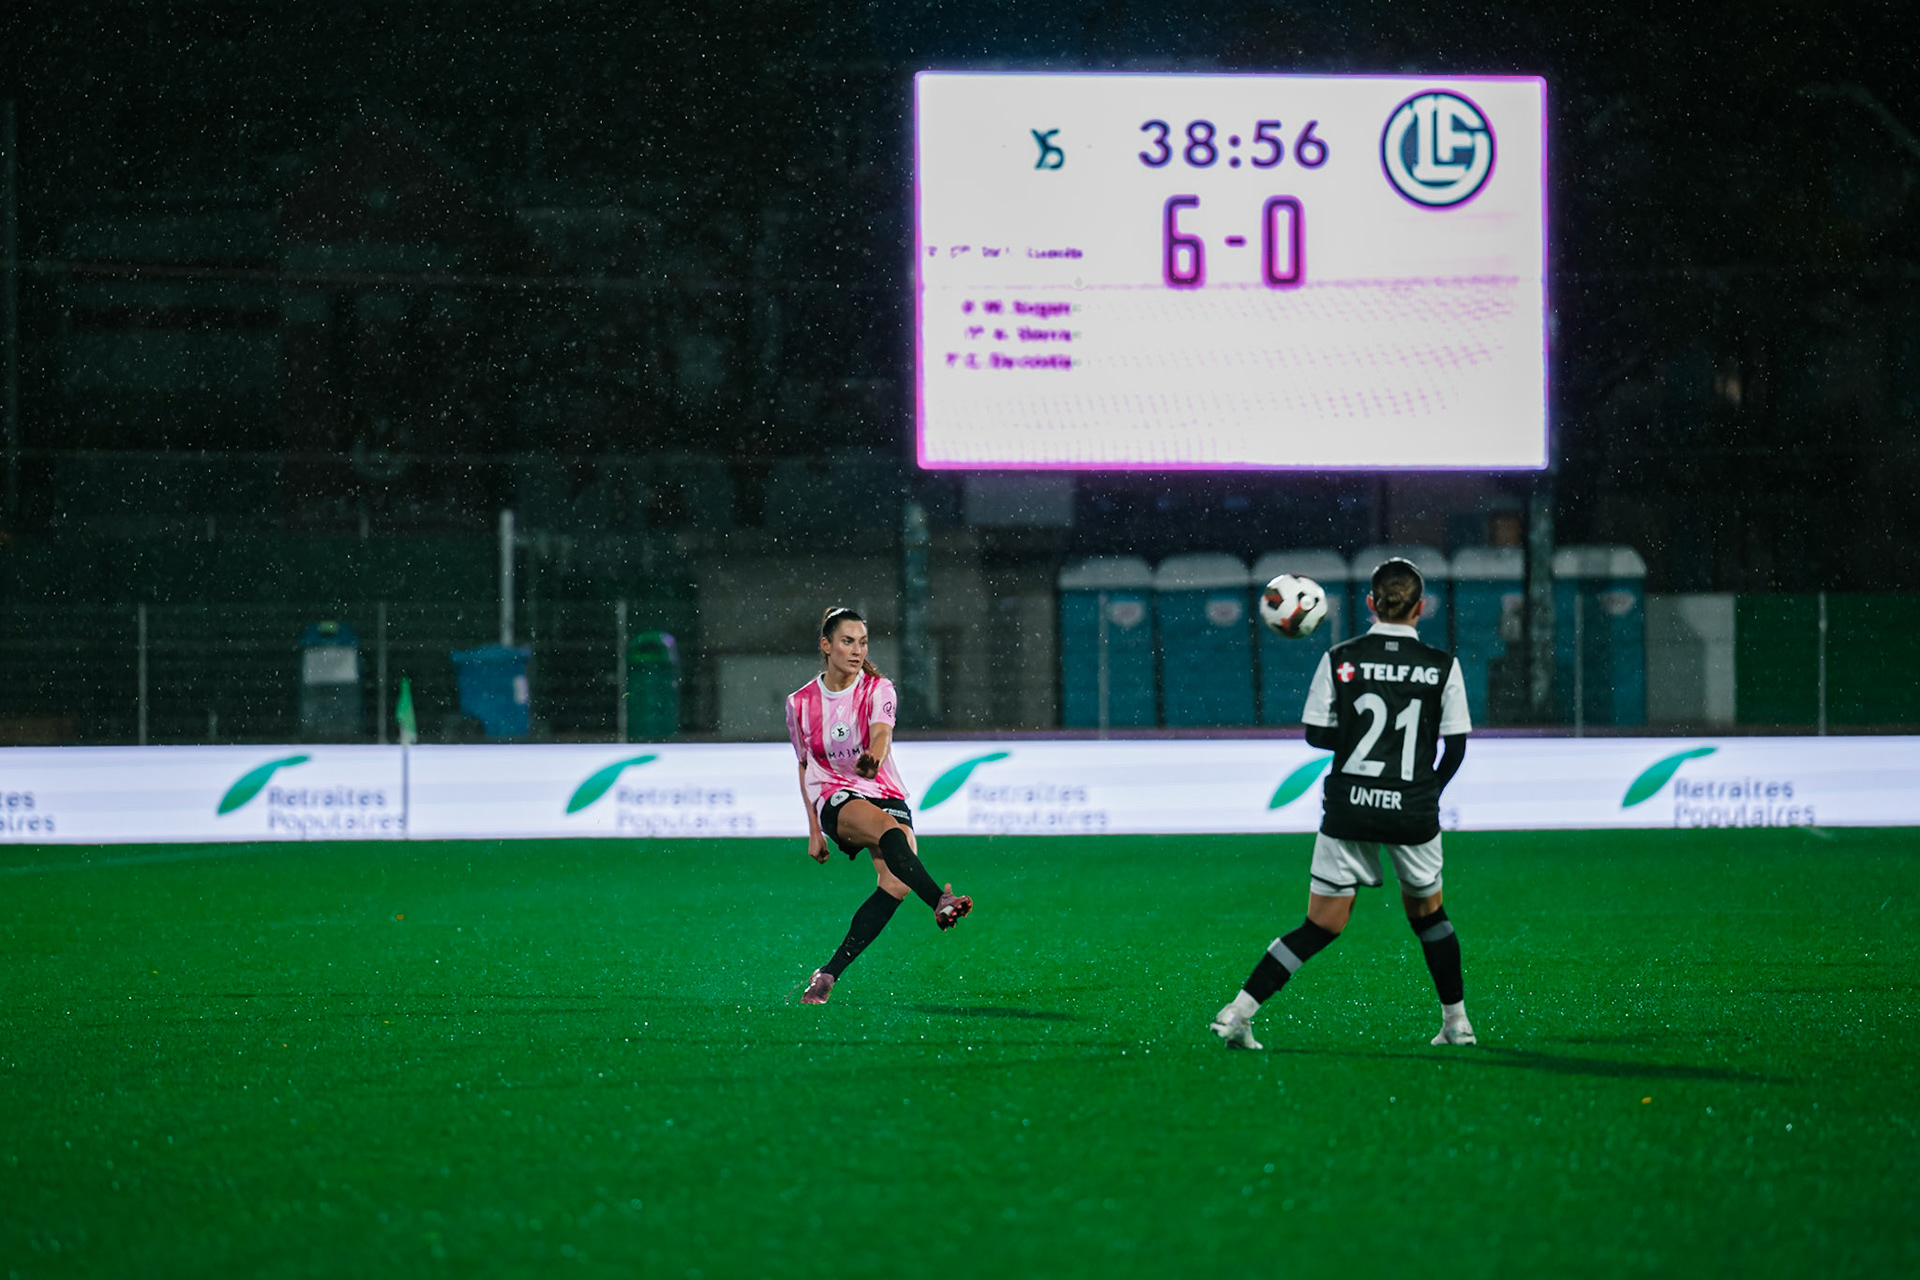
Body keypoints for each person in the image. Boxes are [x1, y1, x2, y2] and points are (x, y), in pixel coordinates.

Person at [1211, 557, 1476, 1049]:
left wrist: (1357, 742)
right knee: (1429, 918)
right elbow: (1456, 747)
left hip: (1350, 805)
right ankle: (1456, 1023)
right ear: (1420, 608)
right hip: (1413, 811)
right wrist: (1425, 792)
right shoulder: (1442, 665)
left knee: (1321, 924)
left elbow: (1316, 734)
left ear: (1371, 603)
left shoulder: (1341, 657)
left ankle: (1239, 1011)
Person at [789, 606, 971, 1005]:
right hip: (835, 794)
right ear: (826, 646)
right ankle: (940, 902)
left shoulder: (878, 688)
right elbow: (804, 764)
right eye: (847, 641)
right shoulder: (800, 702)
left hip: (883, 789)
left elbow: (882, 733)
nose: (857, 650)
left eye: (863, 642)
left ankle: (828, 974)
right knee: (887, 830)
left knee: (896, 883)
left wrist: (874, 756)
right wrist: (814, 830)